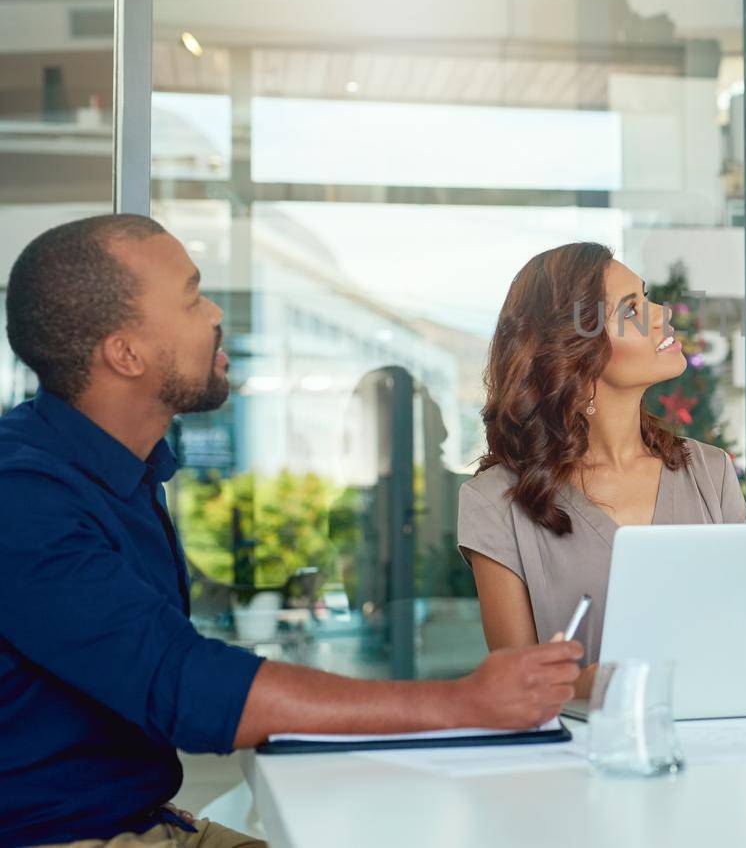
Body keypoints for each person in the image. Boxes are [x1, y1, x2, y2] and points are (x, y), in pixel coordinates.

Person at [0, 216, 582, 848]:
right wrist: (465, 703)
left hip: (148, 820)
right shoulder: (22, 498)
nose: (216, 311)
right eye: (193, 296)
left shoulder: (123, 472)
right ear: (126, 353)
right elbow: (184, 687)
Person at [458, 242, 746, 699]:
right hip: (576, 763)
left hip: (716, 749)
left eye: (647, 297)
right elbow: (513, 690)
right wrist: (583, 686)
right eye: (633, 309)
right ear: (577, 351)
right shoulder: (495, 502)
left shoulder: (710, 474)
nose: (661, 314)